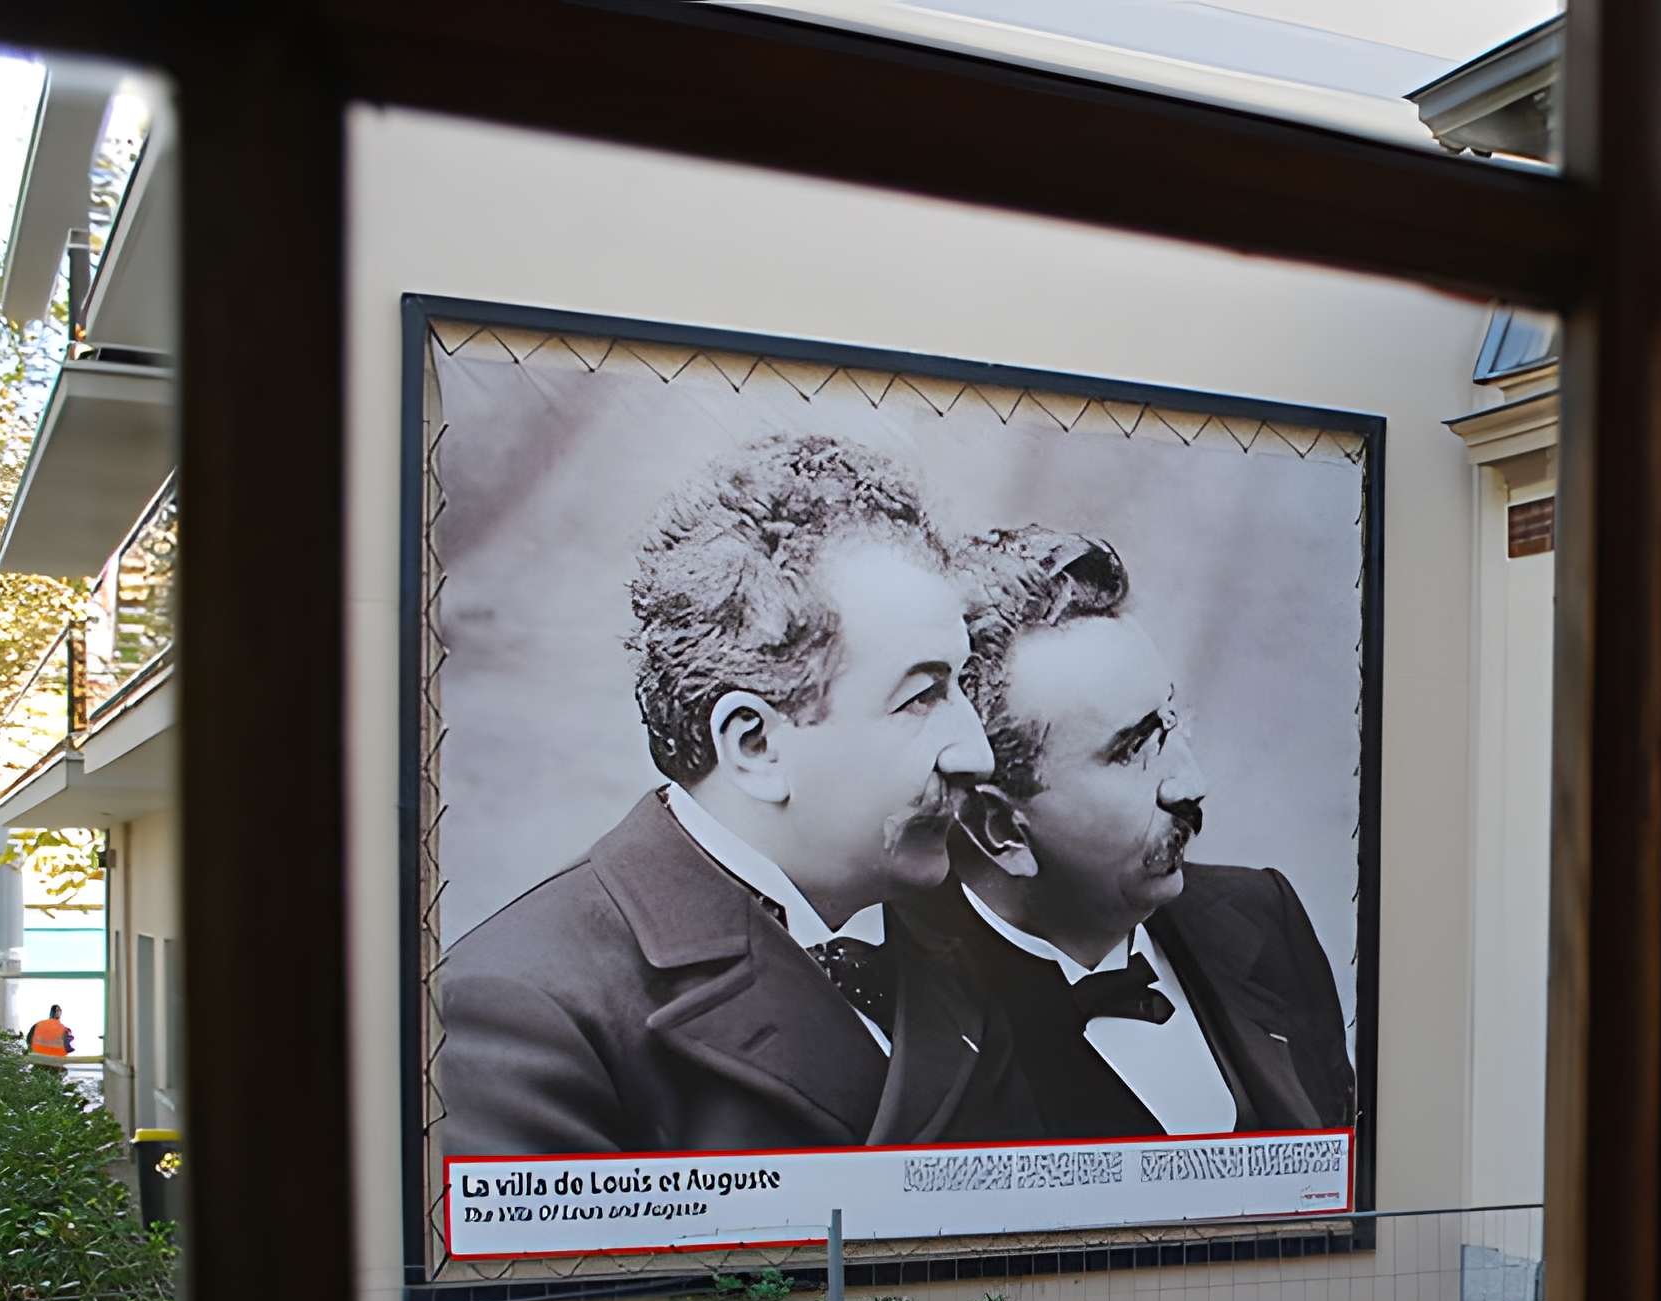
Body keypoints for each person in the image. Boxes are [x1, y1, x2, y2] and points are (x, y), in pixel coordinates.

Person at [432, 433, 1036, 1163]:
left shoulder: (984, 937)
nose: (976, 752)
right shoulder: (521, 1011)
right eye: (920, 697)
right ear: (755, 746)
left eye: (961, 686)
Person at [944, 526, 1353, 1138]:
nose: (1192, 784)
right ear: (1000, 828)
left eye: (1171, 720)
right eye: (1134, 748)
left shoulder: (1263, 915)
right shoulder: (916, 1020)